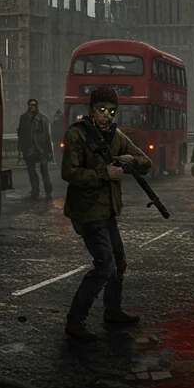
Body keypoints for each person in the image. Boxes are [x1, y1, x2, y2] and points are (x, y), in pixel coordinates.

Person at [61, 86, 152, 343]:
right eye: (102, 110)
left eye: (111, 111)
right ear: (92, 110)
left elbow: (146, 161)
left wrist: (128, 160)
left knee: (119, 264)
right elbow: (69, 173)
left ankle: (112, 310)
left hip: (108, 210)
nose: (107, 116)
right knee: (105, 265)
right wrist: (104, 173)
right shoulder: (78, 135)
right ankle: (75, 320)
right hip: (87, 212)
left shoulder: (116, 135)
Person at [16, 98, 54, 200]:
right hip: (29, 148)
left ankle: (48, 191)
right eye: (30, 104)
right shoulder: (23, 118)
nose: (32, 106)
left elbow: (47, 136)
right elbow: (21, 135)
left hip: (42, 148)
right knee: (31, 171)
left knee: (44, 170)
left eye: (34, 105)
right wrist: (20, 150)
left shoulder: (43, 119)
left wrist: (50, 152)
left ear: (36, 106)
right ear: (28, 105)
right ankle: (35, 190)